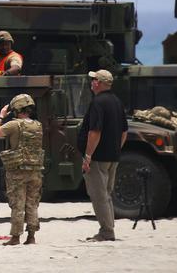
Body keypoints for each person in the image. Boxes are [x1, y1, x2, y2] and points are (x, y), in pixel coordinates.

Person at [78, 69, 128, 242]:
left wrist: (88, 156)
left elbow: (95, 131)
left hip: (98, 158)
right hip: (112, 157)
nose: (91, 83)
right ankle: (109, 228)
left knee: (99, 196)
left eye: (93, 80)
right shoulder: (116, 101)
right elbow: (124, 132)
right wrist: (116, 149)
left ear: (98, 83)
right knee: (106, 195)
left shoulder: (98, 102)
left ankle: (107, 232)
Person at [0, 93, 44, 246]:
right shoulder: (38, 125)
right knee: (32, 203)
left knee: (17, 204)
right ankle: (31, 237)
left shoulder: (14, 125)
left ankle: (15, 237)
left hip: (17, 171)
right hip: (35, 170)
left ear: (16, 109)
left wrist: (1, 116)